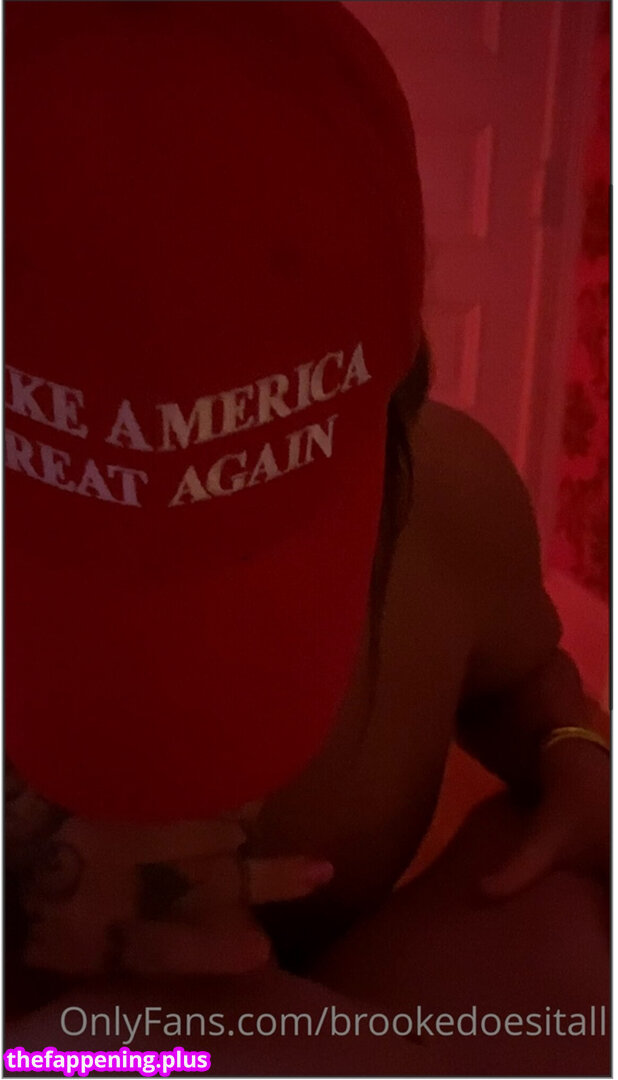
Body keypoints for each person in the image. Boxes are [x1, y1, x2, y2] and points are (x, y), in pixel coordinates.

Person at [5, 3, 608, 1076]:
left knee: (572, 964)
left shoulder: (456, 502)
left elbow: (521, 678)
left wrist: (575, 750)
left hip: (342, 993)